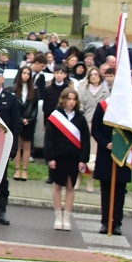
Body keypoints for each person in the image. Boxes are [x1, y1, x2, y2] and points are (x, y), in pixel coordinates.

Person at [44, 88, 89, 231]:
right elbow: (49, 139)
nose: (71, 102)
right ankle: (58, 216)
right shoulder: (55, 116)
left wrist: (83, 159)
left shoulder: (80, 118)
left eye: (74, 99)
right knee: (57, 185)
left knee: (71, 186)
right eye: (69, 99)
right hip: (58, 157)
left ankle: (67, 217)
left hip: (74, 158)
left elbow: (85, 140)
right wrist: (50, 157)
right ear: (63, 99)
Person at [91, 97, 131, 235]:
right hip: (105, 154)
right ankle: (106, 222)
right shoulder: (102, 106)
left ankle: (117, 223)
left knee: (120, 190)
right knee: (106, 190)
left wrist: (126, 144)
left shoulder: (131, 107)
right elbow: (95, 129)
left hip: (124, 154)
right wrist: (106, 143)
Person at [0, 67, 20, 225]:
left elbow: (15, 124)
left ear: (2, 79)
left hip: (2, 144)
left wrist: (14, 147)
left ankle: (2, 211)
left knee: (1, 178)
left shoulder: (10, 99)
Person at [76, 67, 110, 192]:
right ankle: (78, 178)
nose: (94, 77)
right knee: (83, 151)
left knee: (94, 154)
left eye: (96, 74)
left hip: (99, 125)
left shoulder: (106, 91)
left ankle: (90, 180)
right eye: (92, 75)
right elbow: (80, 105)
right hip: (85, 122)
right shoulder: (83, 89)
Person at [12, 64, 39, 182]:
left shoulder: (34, 90)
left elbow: (35, 107)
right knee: (17, 145)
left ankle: (25, 170)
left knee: (27, 146)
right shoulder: (14, 89)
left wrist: (30, 119)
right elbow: (14, 107)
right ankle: (17, 169)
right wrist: (19, 119)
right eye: (24, 73)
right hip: (17, 120)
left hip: (29, 121)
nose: (26, 76)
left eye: (28, 74)